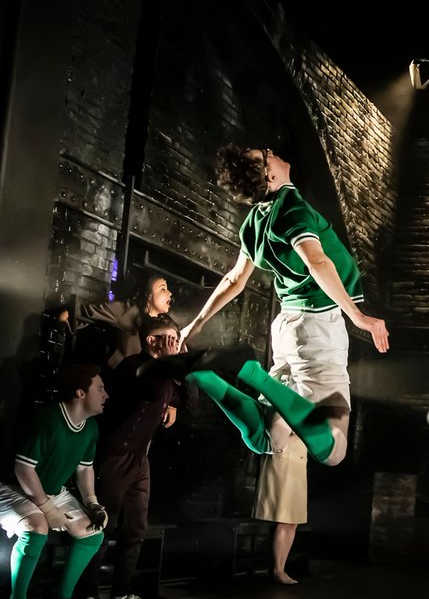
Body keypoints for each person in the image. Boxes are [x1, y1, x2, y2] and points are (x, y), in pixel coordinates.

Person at [144, 145, 389, 467]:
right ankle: (250, 371)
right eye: (266, 155)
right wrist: (358, 316)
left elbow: (235, 279)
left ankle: (200, 373)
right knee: (334, 452)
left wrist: (197, 324)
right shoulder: (292, 209)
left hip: (289, 327)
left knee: (265, 438)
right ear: (271, 176)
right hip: (318, 329)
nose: (272, 151)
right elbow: (316, 261)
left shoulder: (253, 223)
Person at [75, 316, 193, 599]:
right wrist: (172, 363)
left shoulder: (167, 373)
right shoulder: (134, 366)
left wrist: (187, 369)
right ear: (151, 341)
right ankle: (86, 595)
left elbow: (190, 406)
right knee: (103, 526)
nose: (174, 343)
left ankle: (121, 594)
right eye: (168, 338)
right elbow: (151, 392)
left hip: (140, 459)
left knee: (136, 527)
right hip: (114, 455)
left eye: (175, 338)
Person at [1, 364, 109, 599]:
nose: (106, 394)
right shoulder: (47, 418)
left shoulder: (90, 427)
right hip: (11, 488)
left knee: (93, 531)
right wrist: (48, 510)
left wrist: (92, 503)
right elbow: (23, 469)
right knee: (36, 526)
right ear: (80, 393)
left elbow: (85, 470)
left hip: (51, 491)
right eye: (101, 388)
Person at [78, 274, 173, 368]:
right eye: (163, 289)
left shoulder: (164, 326)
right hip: (118, 377)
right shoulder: (128, 311)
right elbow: (85, 311)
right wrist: (67, 313)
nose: (170, 293)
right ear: (148, 295)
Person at [254, 437, 308, 585]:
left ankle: (281, 568)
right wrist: (301, 432)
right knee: (285, 518)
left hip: (298, 463)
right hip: (284, 463)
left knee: (293, 521)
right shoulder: (281, 413)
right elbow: (276, 437)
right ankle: (277, 570)